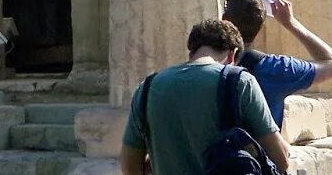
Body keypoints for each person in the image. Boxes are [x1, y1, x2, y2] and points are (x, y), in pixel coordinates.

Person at [120, 19, 290, 175]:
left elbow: (129, 164)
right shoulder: (240, 81)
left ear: (191, 53)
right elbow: (281, 159)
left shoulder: (147, 88)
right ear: (233, 55)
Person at [221, 0, 332, 127]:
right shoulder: (275, 69)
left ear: (225, 19)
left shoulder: (205, 64)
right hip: (257, 148)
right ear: (260, 26)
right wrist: (291, 23)